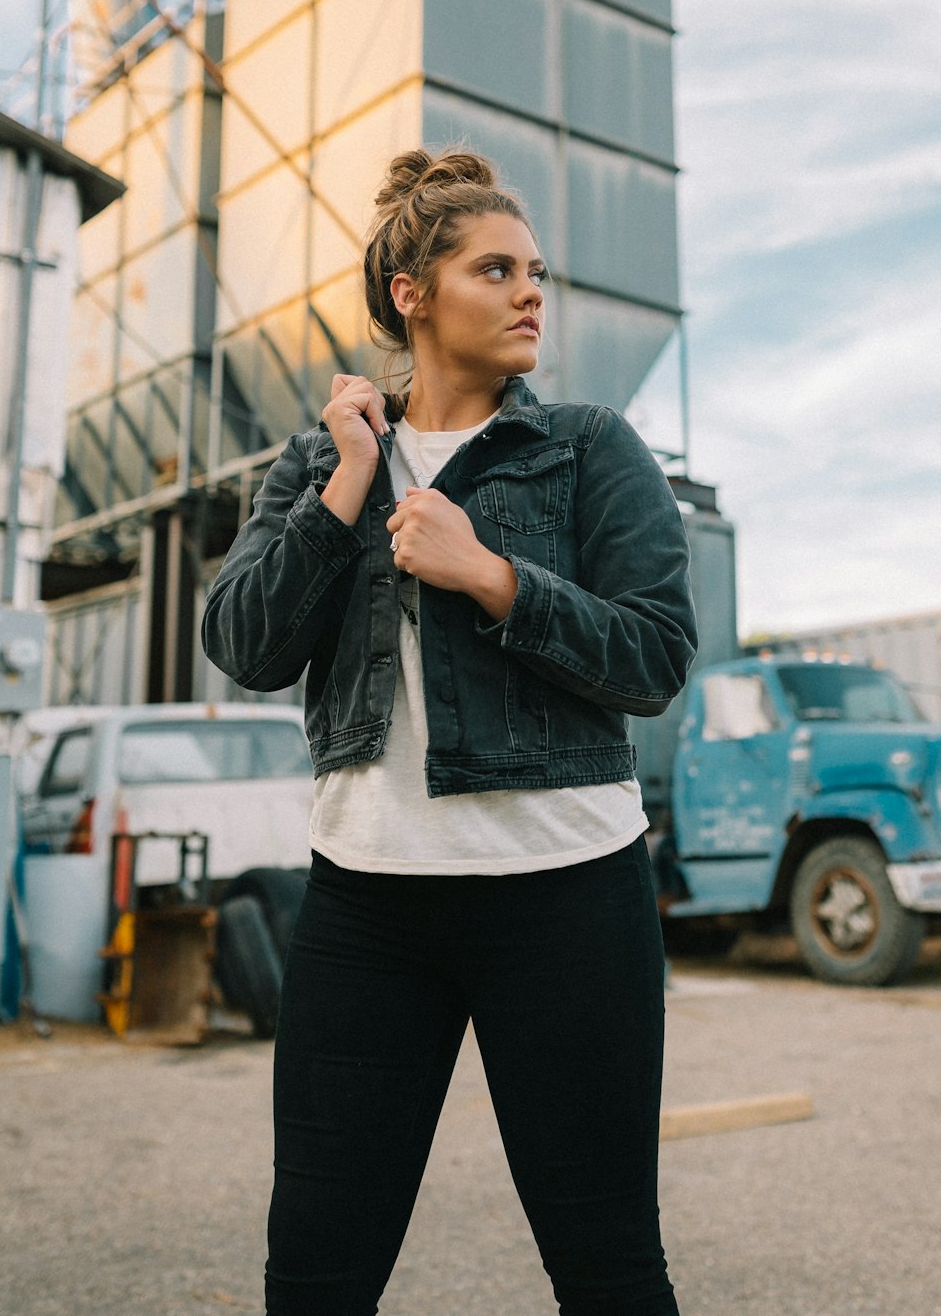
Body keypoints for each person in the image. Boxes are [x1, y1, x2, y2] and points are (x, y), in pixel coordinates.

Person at [201, 147, 697, 1316]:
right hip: (367, 906)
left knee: (607, 1264)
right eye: (495, 268)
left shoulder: (586, 448)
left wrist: (493, 577)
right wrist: (345, 488)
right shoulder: (321, 459)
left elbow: (657, 656)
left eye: (536, 271)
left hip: (568, 895)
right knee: (315, 1269)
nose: (533, 292)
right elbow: (246, 645)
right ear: (410, 292)